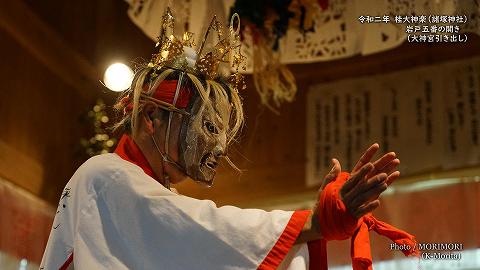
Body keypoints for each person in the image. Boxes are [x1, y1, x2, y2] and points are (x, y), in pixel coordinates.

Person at [40, 10, 416, 270]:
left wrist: (310, 224)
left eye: (218, 131)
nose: (216, 147)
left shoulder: (146, 196)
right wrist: (314, 222)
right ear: (152, 117)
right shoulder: (105, 176)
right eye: (203, 127)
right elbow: (202, 228)